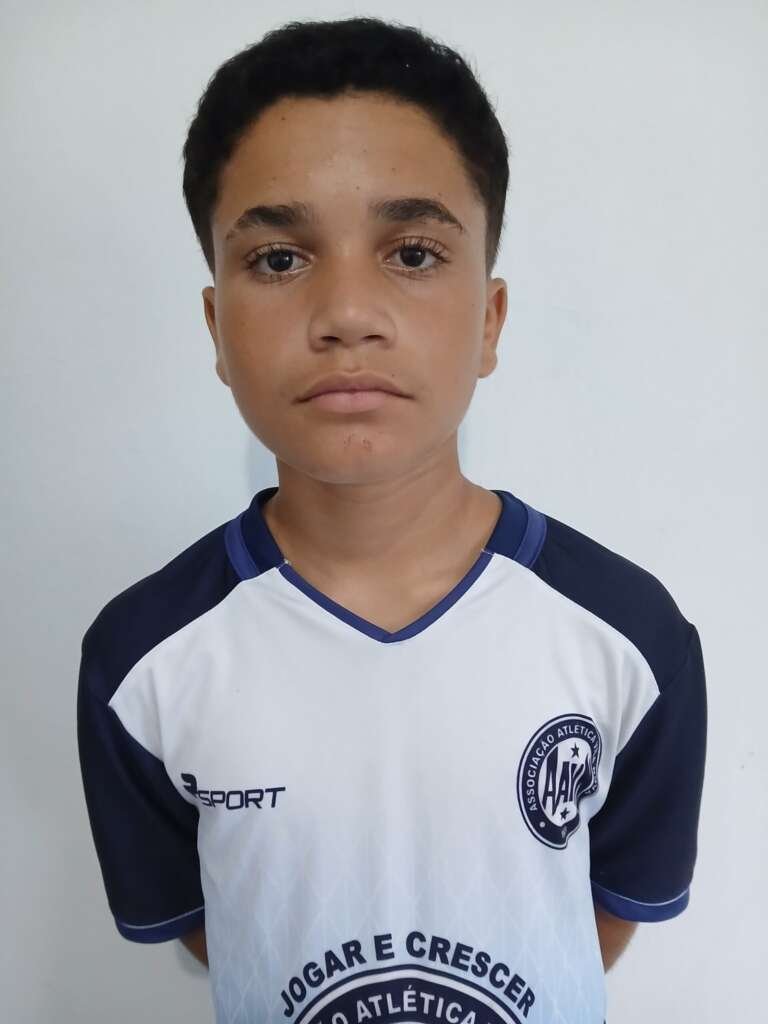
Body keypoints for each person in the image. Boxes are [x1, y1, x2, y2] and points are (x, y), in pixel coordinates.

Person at [76, 16, 707, 1024]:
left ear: (490, 320)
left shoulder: (629, 635)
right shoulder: (140, 662)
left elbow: (607, 907)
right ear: (216, 328)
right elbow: (213, 925)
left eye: (412, 252)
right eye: (278, 259)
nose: (347, 313)